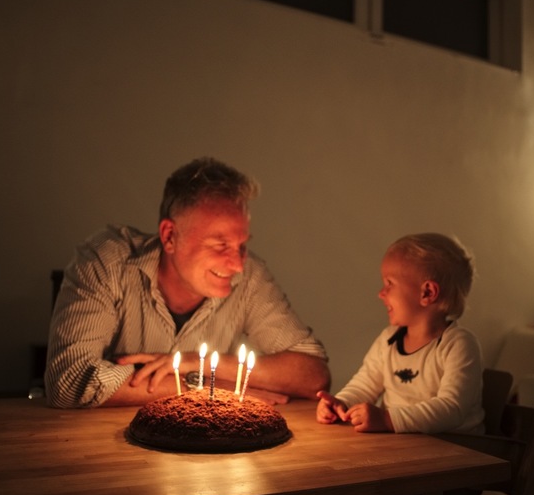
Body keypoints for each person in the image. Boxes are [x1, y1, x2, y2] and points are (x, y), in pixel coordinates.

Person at [46, 157, 330, 408]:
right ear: (170, 236)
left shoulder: (250, 276)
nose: (238, 263)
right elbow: (69, 381)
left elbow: (313, 375)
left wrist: (199, 361)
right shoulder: (107, 261)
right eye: (220, 245)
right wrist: (209, 389)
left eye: (242, 245)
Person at [316, 233, 483, 434]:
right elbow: (365, 384)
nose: (381, 293)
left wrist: (387, 419)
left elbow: (452, 408)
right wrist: (340, 403)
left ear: (427, 292)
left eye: (389, 284)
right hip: (406, 445)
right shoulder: (389, 339)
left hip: (459, 452)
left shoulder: (458, 345)